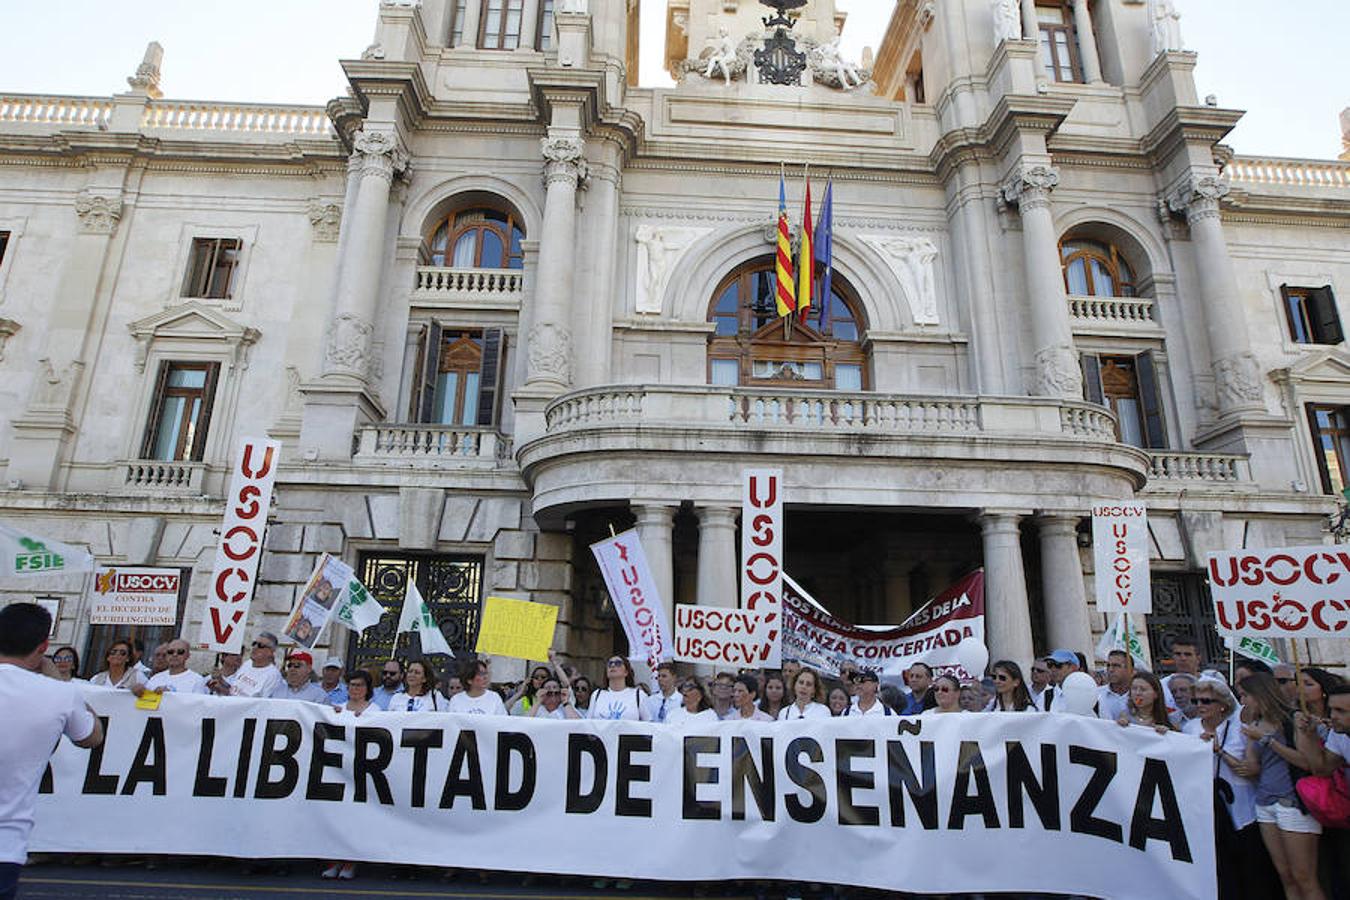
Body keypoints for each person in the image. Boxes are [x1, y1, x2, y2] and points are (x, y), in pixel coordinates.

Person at [0, 603, 103, 900]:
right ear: (43, 646)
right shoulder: (60, 693)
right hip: (6, 844)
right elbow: (92, 736)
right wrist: (57, 680)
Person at [1190, 676, 1281, 900]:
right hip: (1208, 808)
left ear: (1222, 704)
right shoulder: (1188, 728)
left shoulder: (1241, 729)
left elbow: (1247, 769)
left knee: (1251, 868)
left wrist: (1218, 750)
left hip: (1242, 807)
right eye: (1196, 701)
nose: (1200, 705)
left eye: (1206, 701)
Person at [1237, 673, 1326, 900]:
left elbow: (1306, 762)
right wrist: (1249, 736)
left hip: (1293, 802)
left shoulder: (1293, 719)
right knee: (1286, 876)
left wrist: (1267, 740)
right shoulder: (1255, 724)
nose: (1243, 701)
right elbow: (1252, 767)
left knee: (1304, 877)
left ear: (1260, 694)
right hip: (1265, 803)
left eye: (1245, 695)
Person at [212, 632, 282, 698]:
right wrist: (220, 681)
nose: (255, 647)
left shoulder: (273, 676)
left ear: (270, 652)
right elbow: (233, 690)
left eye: (260, 645)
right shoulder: (247, 663)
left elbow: (262, 704)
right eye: (254, 643)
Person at [589, 656, 649, 721]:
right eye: (609, 663)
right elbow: (588, 723)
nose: (613, 665)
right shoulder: (597, 694)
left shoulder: (639, 695)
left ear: (626, 672)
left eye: (618, 663)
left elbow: (648, 724)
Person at [138, 639, 208, 695]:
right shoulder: (155, 678)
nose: (175, 654)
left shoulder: (197, 680)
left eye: (180, 652)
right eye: (170, 652)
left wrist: (170, 695)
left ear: (188, 656)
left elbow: (198, 706)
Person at [1096, 650, 1133, 721]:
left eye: (1116, 666)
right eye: (1108, 665)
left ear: (1130, 669)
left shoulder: (1140, 695)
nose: (1110, 670)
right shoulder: (1097, 694)